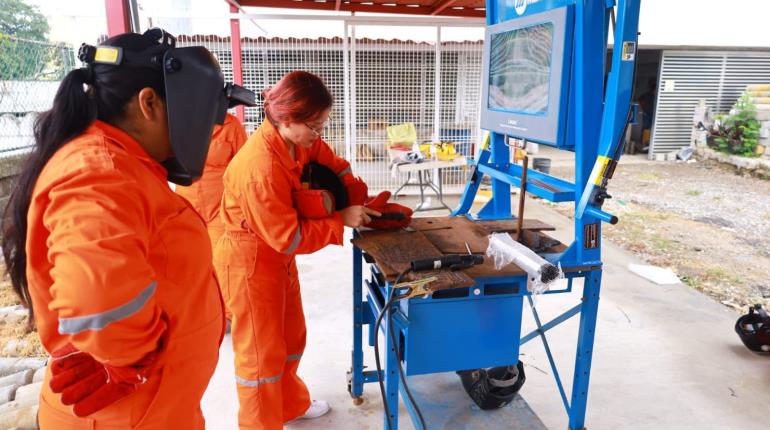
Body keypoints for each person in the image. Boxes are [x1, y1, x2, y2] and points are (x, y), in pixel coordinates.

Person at [1, 29, 254, 428]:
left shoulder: (126, 164)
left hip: (154, 406)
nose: (205, 132)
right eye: (198, 116)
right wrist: (126, 360)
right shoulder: (99, 174)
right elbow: (96, 297)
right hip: (127, 414)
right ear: (148, 103)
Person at [214, 71, 409, 429]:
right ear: (287, 120)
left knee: (290, 338)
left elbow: (336, 166)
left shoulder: (298, 141)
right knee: (260, 357)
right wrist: (341, 222)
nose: (318, 134)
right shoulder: (260, 167)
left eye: (321, 125)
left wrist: (359, 202)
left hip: (275, 259)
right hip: (249, 261)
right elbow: (286, 237)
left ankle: (289, 405)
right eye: (314, 126)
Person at [175, 113, 247, 251]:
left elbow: (243, 172)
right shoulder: (177, 123)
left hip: (219, 210)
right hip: (186, 208)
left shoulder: (232, 126)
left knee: (218, 259)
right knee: (191, 259)